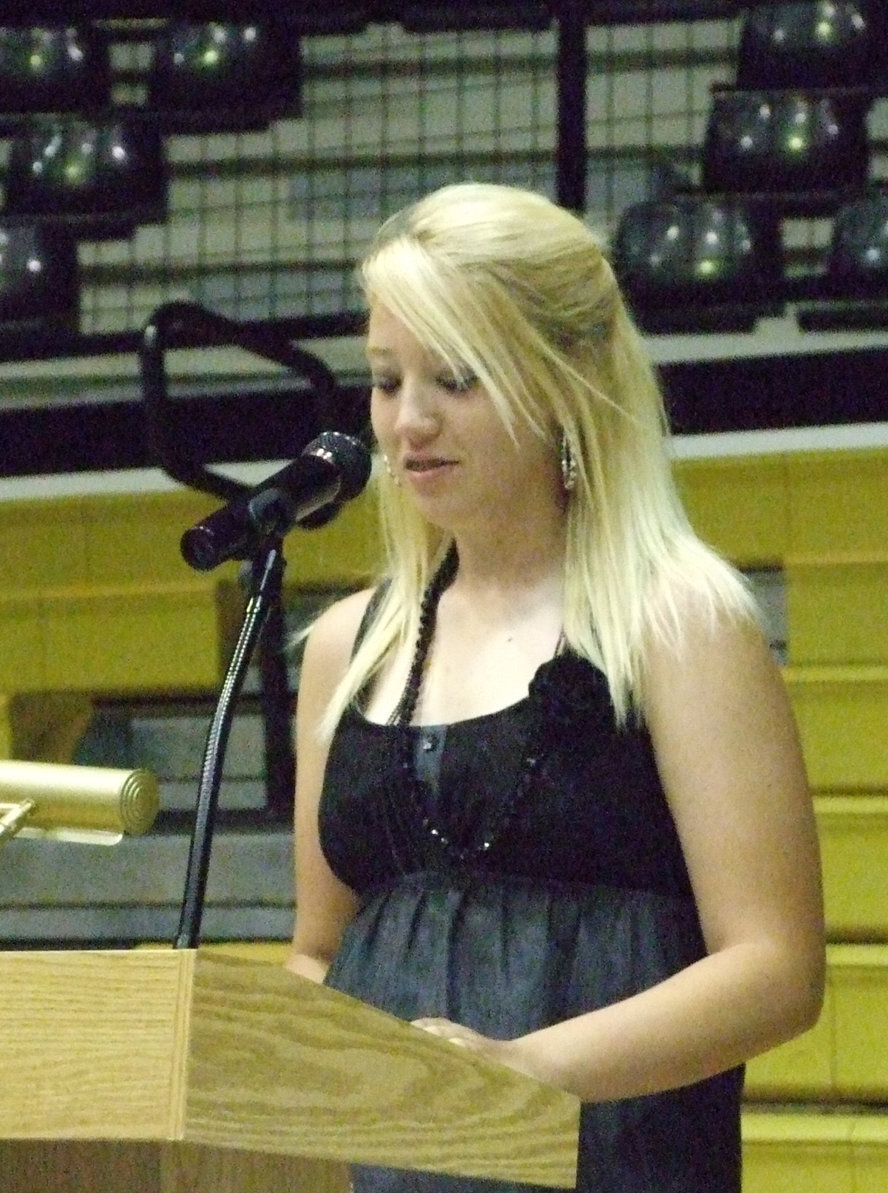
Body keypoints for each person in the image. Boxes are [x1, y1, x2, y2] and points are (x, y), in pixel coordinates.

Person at [285, 182, 825, 1193]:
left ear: (564, 381)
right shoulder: (347, 645)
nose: (408, 420)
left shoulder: (675, 620)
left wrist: (525, 1072)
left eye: (455, 377)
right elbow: (319, 951)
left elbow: (775, 968)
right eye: (385, 379)